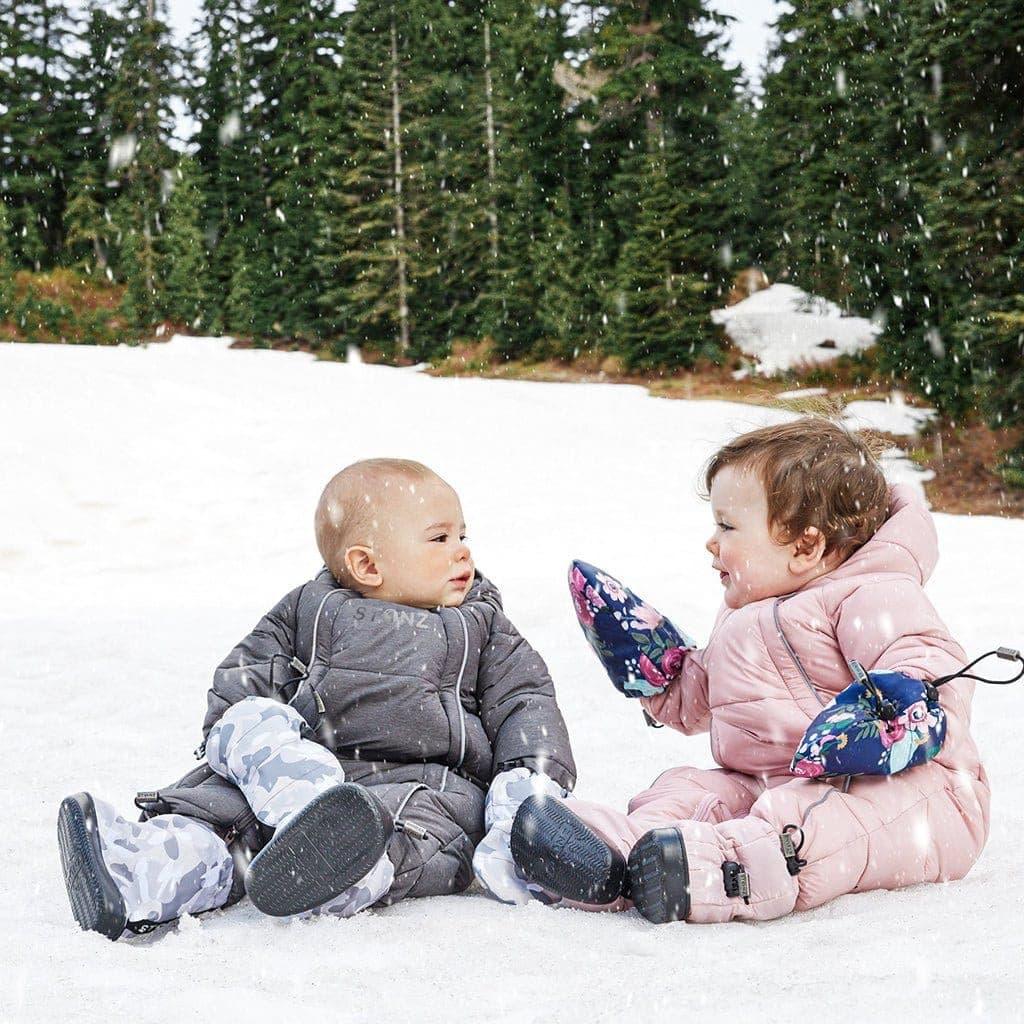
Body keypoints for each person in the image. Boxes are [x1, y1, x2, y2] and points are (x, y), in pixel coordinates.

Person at [58, 458, 575, 939]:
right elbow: (250, 669)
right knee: (224, 810)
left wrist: (527, 782)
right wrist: (248, 725)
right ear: (367, 565)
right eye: (439, 538)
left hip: (423, 782)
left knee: (421, 831)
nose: (462, 550)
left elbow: (526, 701)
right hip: (298, 769)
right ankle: (144, 873)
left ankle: (354, 868)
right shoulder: (310, 608)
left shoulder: (483, 626)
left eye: (463, 534)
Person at [510, 417, 990, 924]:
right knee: (691, 790)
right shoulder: (744, 612)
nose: (711, 542)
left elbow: (928, 660)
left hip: (915, 792)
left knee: (819, 821)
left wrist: (901, 710)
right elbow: (703, 698)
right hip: (771, 779)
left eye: (728, 526)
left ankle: (722, 870)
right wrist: (658, 668)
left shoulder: (871, 592)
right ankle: (618, 850)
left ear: (806, 546)